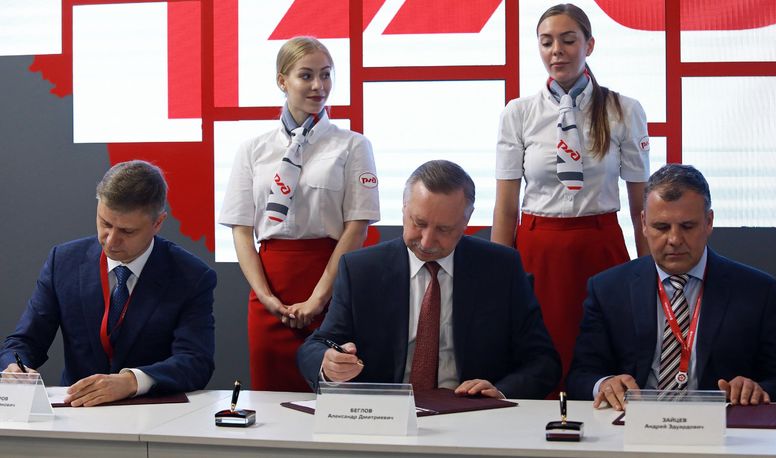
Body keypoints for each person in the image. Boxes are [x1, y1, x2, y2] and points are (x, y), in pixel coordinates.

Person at [297, 160, 561, 399]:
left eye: (443, 229)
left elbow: (543, 361)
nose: (426, 241)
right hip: (386, 416)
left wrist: (501, 391)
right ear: (404, 209)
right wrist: (328, 364)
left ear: (466, 221)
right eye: (419, 223)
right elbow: (317, 346)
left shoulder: (501, 268)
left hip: (472, 412)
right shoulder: (361, 270)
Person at [491, 3, 651, 382]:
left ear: (589, 45)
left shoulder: (624, 110)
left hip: (600, 245)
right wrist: (496, 276)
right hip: (538, 250)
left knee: (603, 356)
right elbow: (506, 208)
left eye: (568, 40)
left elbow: (641, 208)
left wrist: (650, 272)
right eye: (546, 42)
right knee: (539, 358)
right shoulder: (518, 113)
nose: (556, 51)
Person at [567, 164, 776, 409]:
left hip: (720, 425)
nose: (674, 239)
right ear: (643, 223)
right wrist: (605, 384)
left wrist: (757, 389)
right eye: (661, 227)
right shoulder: (607, 289)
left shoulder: (757, 291)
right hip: (631, 422)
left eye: (687, 226)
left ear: (709, 222)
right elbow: (580, 377)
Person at [219, 37, 380, 391]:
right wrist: (265, 297)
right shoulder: (253, 149)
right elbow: (241, 230)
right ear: (282, 80)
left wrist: (319, 298)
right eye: (306, 76)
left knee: (332, 394)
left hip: (332, 285)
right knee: (269, 398)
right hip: (270, 289)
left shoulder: (353, 145)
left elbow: (357, 227)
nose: (318, 86)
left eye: (326, 75)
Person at [0, 160, 216, 407]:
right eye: (105, 224)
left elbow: (195, 361)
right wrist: (14, 367)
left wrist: (132, 381)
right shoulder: (64, 261)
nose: (111, 241)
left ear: (158, 223)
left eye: (127, 231)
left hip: (151, 412)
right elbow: (25, 341)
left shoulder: (191, 276)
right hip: (77, 411)